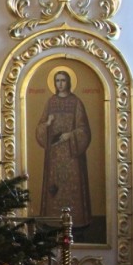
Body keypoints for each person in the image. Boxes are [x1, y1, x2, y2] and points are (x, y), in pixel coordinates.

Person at [35, 69, 91, 228]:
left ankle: (76, 220)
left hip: (72, 153)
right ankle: (52, 219)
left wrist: (71, 135)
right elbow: (40, 128)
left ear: (69, 82)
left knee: (72, 185)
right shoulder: (50, 102)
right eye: (57, 80)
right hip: (54, 154)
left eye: (63, 80)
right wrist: (47, 124)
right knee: (55, 186)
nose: (60, 84)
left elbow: (84, 130)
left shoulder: (76, 102)